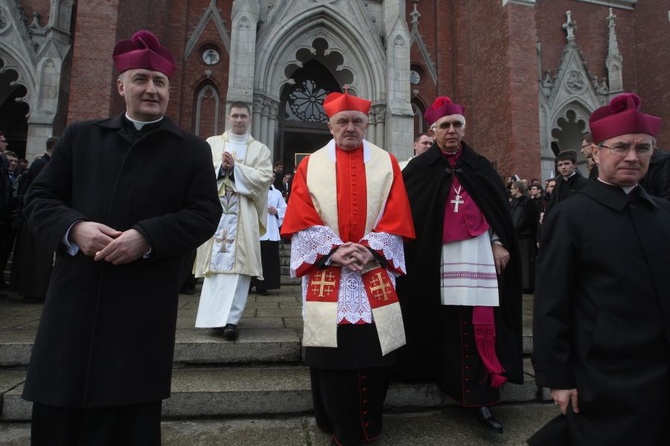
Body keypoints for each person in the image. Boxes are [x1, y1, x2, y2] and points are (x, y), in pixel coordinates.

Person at [20, 30, 222, 445]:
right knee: (59, 416)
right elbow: (38, 197)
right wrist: (74, 228)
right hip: (74, 305)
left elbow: (204, 214)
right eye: (141, 79)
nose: (151, 89)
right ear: (121, 86)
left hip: (141, 309)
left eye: (160, 82)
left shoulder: (191, 150)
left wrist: (146, 237)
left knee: (129, 418)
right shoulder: (81, 137)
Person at [530, 92, 670, 446]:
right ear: (596, 150)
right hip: (602, 370)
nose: (632, 157)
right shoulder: (570, 216)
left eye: (643, 148)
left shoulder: (663, 213)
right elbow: (551, 302)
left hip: (661, 365)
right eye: (621, 146)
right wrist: (558, 377)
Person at [280, 90, 414, 446]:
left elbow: (396, 213)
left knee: (376, 348)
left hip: (373, 268)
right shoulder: (311, 165)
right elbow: (300, 211)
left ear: (367, 124)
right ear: (330, 125)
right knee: (330, 352)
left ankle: (369, 423)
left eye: (357, 121)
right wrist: (332, 251)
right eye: (343, 121)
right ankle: (335, 423)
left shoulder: (387, 162)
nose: (350, 127)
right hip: (329, 270)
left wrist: (371, 250)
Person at [396, 96, 523, 434]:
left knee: (476, 322)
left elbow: (496, 209)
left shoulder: (479, 166)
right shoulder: (418, 170)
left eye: (457, 126)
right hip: (436, 260)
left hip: (479, 254)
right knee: (447, 322)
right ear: (432, 130)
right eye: (445, 126)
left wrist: (498, 242)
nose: (451, 132)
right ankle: (450, 382)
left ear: (463, 129)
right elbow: (408, 216)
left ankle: (481, 396)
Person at [194, 101, 273, 341]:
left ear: (249, 119)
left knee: (240, 269)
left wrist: (235, 169)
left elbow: (264, 178)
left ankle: (231, 321)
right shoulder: (212, 143)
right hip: (216, 215)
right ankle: (212, 318)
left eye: (243, 116)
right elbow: (199, 171)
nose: (239, 120)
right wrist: (222, 168)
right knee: (214, 269)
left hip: (244, 214)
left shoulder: (260, 150)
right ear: (228, 117)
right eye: (235, 116)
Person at [10, 137, 59, 303]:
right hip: (35, 219)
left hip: (40, 219)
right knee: (33, 258)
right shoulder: (42, 165)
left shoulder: (45, 164)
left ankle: (36, 291)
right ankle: (32, 291)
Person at [250, 176, 287, 295]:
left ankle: (263, 285)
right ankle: (251, 283)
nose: (270, 178)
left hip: (271, 229)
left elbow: (284, 208)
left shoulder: (277, 193)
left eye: (272, 176)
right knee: (255, 259)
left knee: (268, 261)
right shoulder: (256, 191)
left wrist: (277, 211)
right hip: (257, 229)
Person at [509, 181, 539, 293]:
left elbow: (531, 218)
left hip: (525, 236)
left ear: (517, 189)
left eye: (512, 188)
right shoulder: (512, 202)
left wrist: (519, 228)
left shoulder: (528, 202)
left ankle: (527, 285)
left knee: (526, 262)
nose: (511, 190)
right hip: (515, 236)